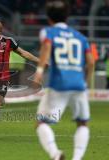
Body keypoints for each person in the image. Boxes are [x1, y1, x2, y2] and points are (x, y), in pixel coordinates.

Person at [33, 1, 94, 160]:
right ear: (67, 16)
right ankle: (77, 158)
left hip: (58, 84)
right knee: (82, 123)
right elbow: (91, 62)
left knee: (41, 123)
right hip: (78, 84)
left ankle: (55, 154)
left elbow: (46, 47)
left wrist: (39, 71)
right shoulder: (81, 37)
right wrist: (86, 82)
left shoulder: (48, 32)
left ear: (48, 17)